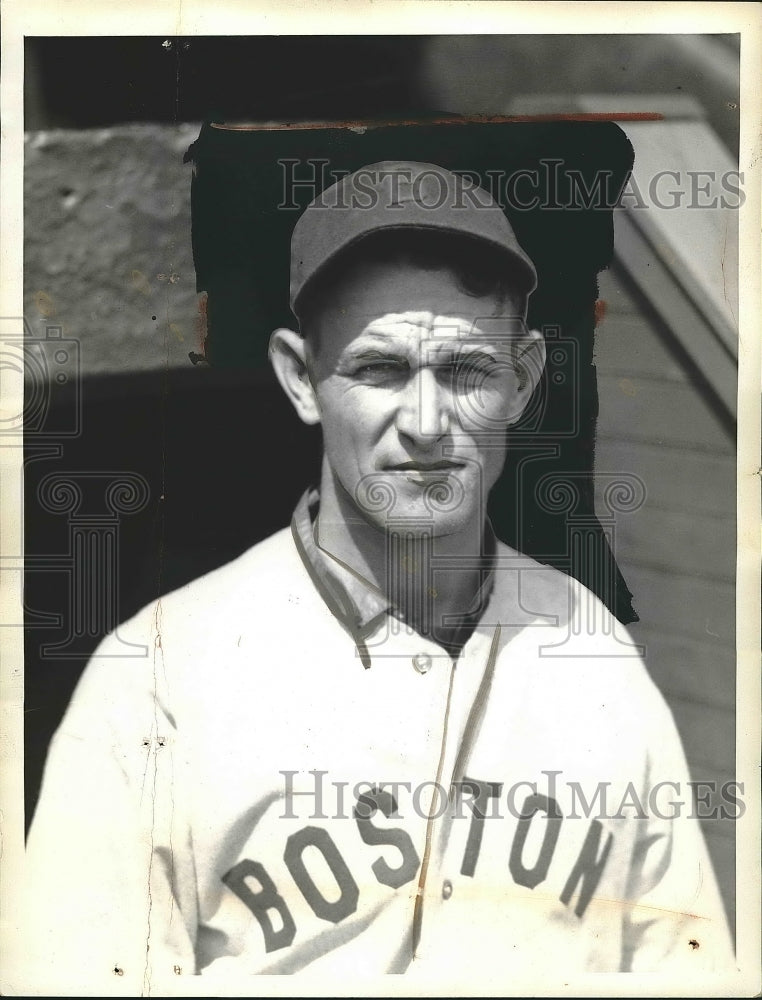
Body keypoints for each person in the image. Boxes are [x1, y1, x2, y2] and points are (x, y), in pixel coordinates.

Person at [23, 160, 733, 988]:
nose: (426, 423)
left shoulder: (593, 653)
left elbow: (688, 972)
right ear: (300, 379)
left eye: (467, 371)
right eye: (381, 370)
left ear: (524, 380)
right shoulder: (155, 680)